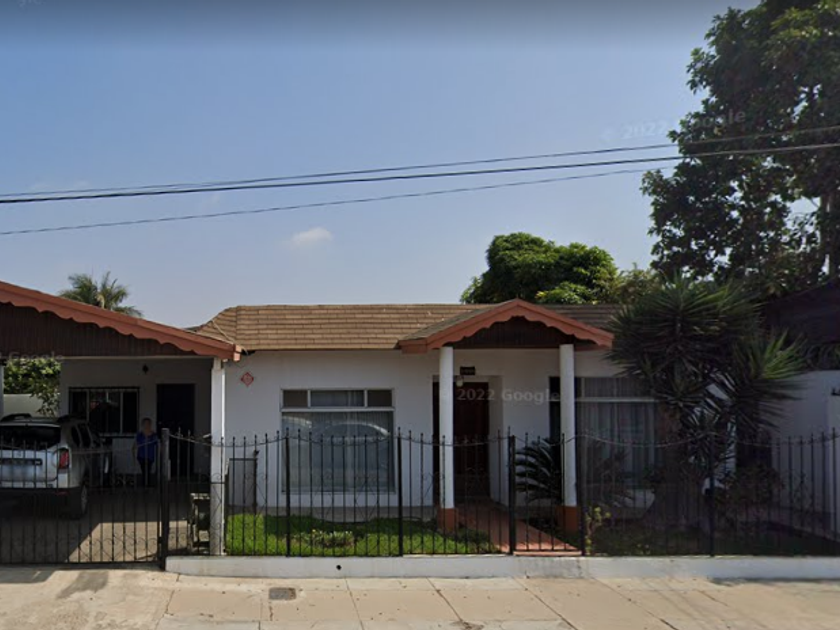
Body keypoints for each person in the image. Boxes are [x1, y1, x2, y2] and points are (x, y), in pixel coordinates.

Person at [133, 417, 158, 488]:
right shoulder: (140, 435)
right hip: (141, 455)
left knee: (148, 469)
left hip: (150, 455)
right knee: (144, 470)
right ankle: (145, 484)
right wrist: (134, 452)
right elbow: (135, 444)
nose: (147, 425)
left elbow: (157, 444)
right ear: (143, 425)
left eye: (148, 424)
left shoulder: (153, 435)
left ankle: (147, 484)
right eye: (145, 424)